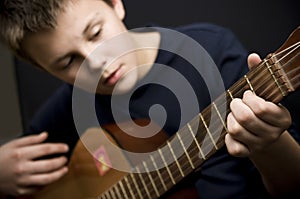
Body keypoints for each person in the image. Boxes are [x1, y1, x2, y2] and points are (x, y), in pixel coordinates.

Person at [0, 0, 299, 198]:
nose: (95, 62)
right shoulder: (71, 104)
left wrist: (270, 144)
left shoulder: (210, 53)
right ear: (43, 68)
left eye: (95, 32)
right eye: (67, 63)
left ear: (115, 3)